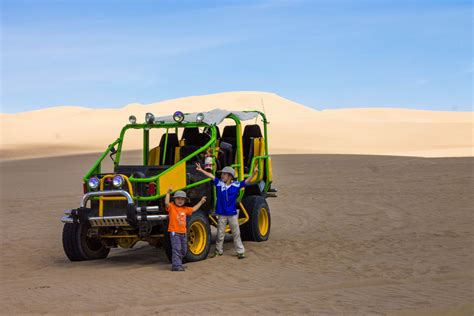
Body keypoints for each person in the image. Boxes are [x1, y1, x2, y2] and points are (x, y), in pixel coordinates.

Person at [195, 162, 258, 259]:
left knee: (236, 233)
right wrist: (201, 170)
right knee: (220, 234)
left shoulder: (236, 185)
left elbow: (246, 181)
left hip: (232, 214)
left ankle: (240, 252)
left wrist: (254, 174)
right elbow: (211, 176)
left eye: (224, 174)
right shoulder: (219, 183)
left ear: (230, 176)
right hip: (221, 214)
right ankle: (218, 251)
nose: (222, 175)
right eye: (222, 174)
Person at [165, 188, 206, 272]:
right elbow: (166, 203)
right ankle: (176, 266)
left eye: (182, 199)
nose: (180, 201)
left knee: (184, 250)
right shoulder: (172, 207)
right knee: (176, 249)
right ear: (174, 199)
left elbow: (194, 209)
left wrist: (201, 202)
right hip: (174, 232)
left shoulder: (185, 209)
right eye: (178, 199)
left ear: (185, 201)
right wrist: (168, 193)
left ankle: (178, 263)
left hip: (183, 233)